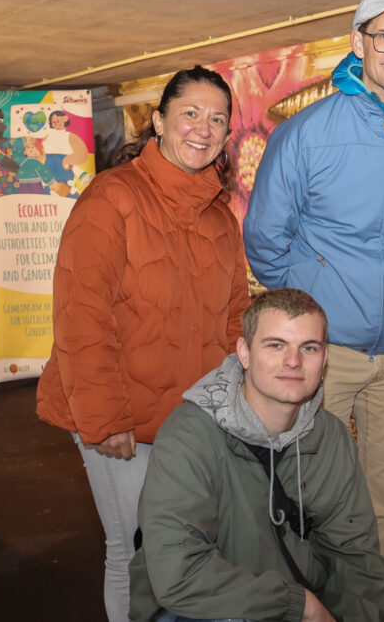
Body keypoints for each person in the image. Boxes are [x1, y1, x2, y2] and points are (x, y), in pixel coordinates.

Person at [244, 0, 384, 612]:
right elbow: (266, 242)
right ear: (357, 41)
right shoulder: (307, 134)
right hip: (322, 360)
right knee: (301, 503)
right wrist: (308, 322)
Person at [36, 66, 250, 622]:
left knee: (192, 552)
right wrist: (106, 420)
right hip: (121, 419)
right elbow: (81, 317)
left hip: (193, 421)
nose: (203, 129)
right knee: (135, 550)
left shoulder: (221, 218)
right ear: (158, 121)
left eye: (217, 119)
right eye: (190, 114)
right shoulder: (112, 198)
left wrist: (239, 410)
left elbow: (235, 323)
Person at [128, 288, 384, 622]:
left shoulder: (330, 438)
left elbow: (357, 559)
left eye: (309, 347)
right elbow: (179, 574)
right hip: (196, 607)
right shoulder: (189, 436)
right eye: (276, 345)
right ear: (245, 353)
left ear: (324, 359)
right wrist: (300, 605)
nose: (293, 361)